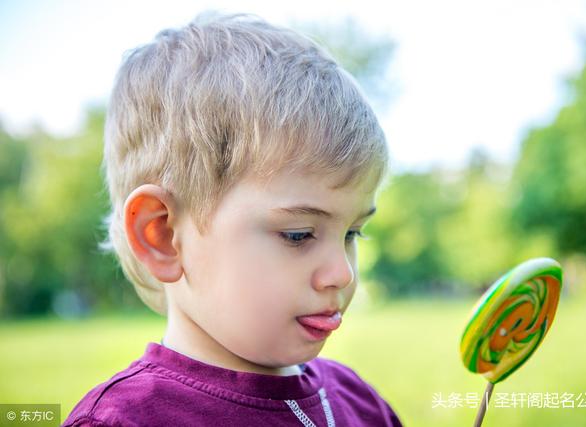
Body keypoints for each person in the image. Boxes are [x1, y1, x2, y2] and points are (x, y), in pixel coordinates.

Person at [63, 11, 401, 427]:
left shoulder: (357, 400)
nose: (343, 273)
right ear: (163, 236)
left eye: (352, 233)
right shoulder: (129, 420)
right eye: (298, 235)